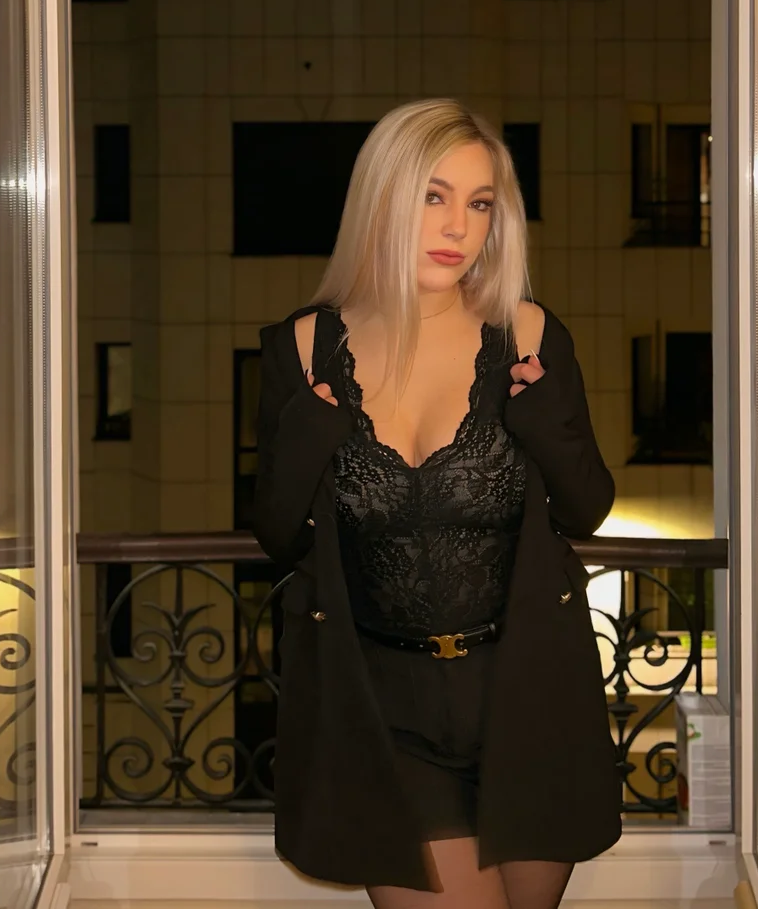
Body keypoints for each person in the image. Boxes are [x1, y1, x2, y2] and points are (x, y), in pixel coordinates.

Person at [253, 100, 620, 908]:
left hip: (530, 691)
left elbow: (587, 506)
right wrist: (307, 433)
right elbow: (277, 533)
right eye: (433, 195)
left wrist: (544, 419)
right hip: (387, 711)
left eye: (480, 202)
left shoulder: (529, 334)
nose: (459, 225)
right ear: (381, 198)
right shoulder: (302, 348)